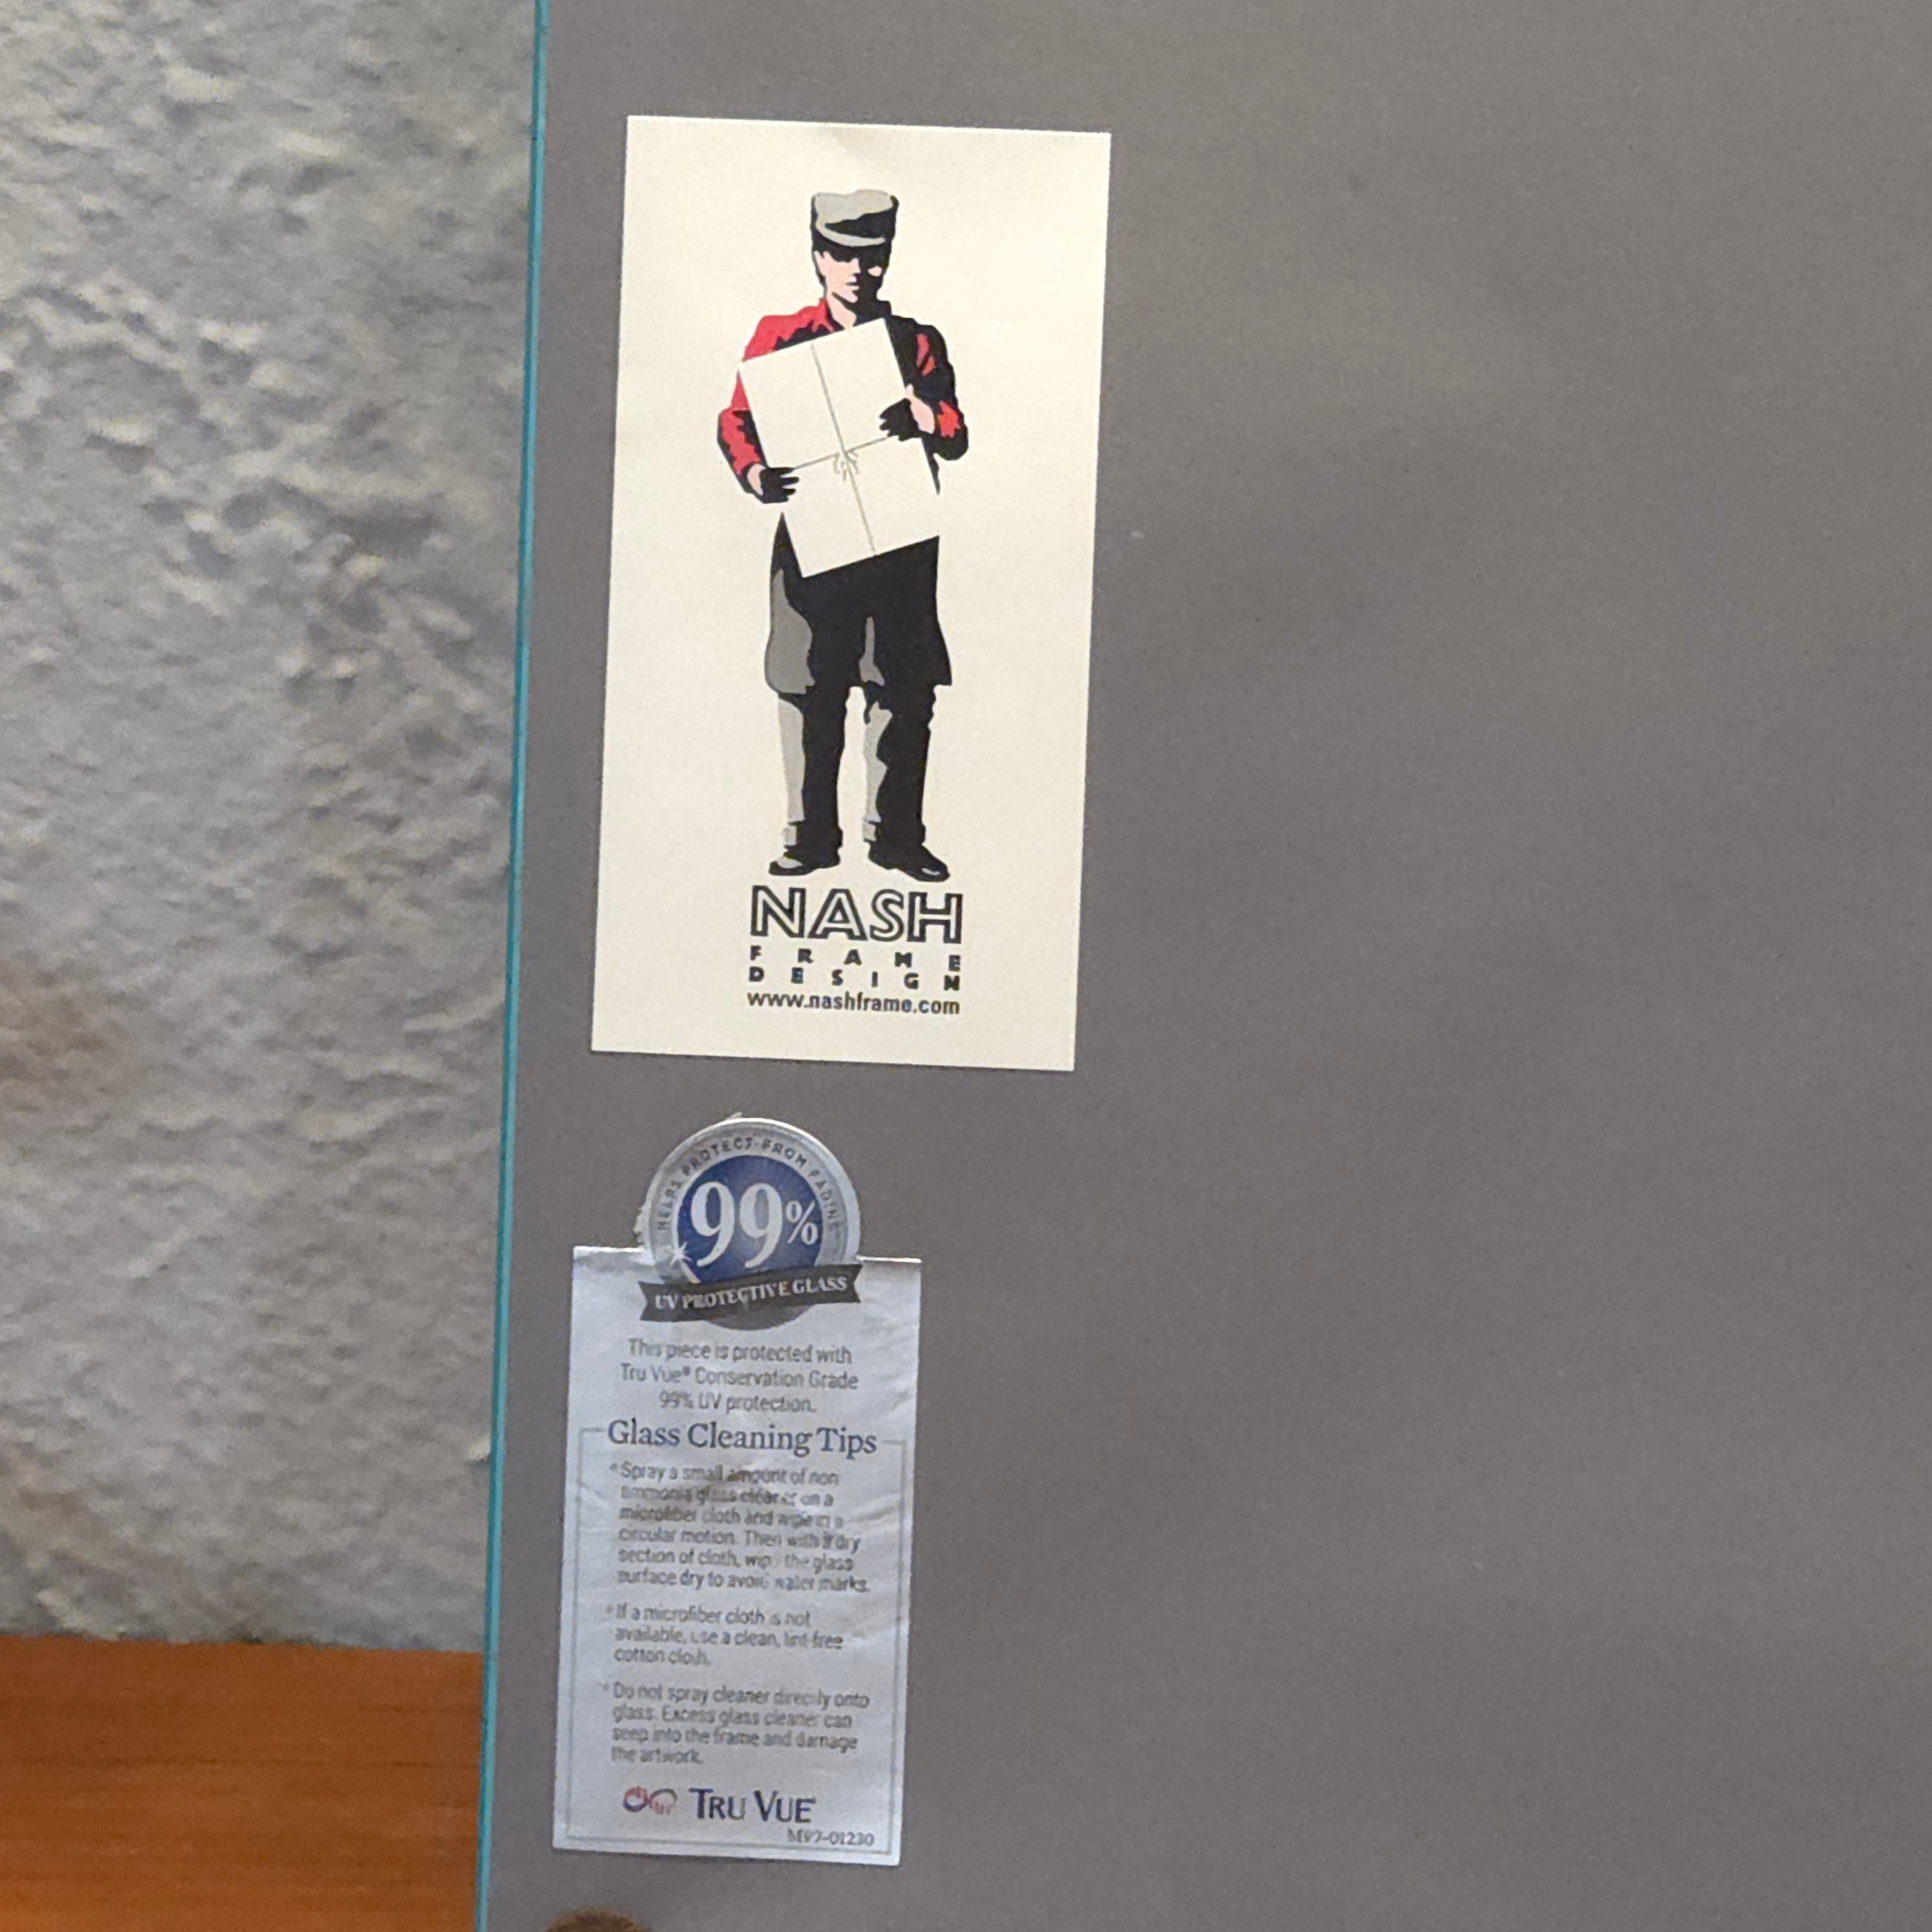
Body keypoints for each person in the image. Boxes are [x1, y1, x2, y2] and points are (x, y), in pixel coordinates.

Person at [717, 189, 968, 881]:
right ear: (818, 258)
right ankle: (808, 838)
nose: (859, 270)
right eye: (843, 255)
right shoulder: (780, 336)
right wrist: (755, 471)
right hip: (813, 538)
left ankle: (896, 838)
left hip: (896, 544)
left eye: (873, 257)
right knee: (809, 686)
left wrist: (923, 414)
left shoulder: (917, 342)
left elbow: (955, 433)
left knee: (903, 690)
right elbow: (736, 419)